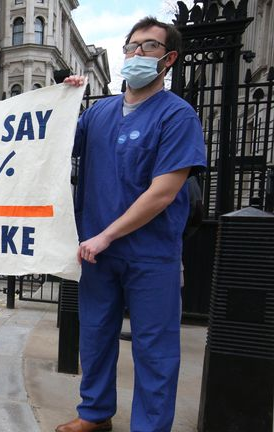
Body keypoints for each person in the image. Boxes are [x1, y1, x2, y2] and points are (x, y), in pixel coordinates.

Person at [59, 17, 206, 432]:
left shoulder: (177, 116)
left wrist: (106, 235)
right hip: (97, 253)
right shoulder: (98, 113)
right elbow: (51, 145)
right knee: (95, 335)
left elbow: (163, 192)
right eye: (131, 47)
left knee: (154, 350)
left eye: (149, 48)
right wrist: (63, 101)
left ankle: (150, 427)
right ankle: (94, 414)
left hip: (151, 255)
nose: (136, 54)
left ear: (169, 59)